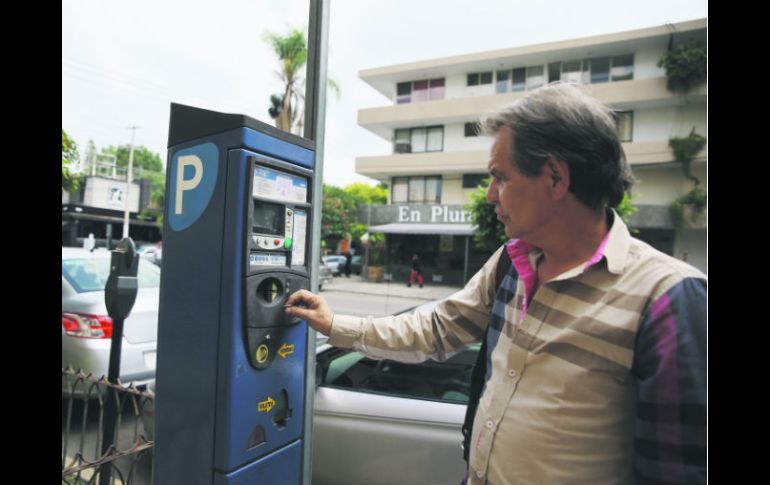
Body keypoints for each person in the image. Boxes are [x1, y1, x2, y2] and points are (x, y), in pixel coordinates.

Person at [286, 82, 706, 485]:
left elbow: (677, 470)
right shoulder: (511, 263)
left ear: (556, 178)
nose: (490, 195)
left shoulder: (667, 297)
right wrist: (335, 324)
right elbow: (436, 328)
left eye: (500, 177)